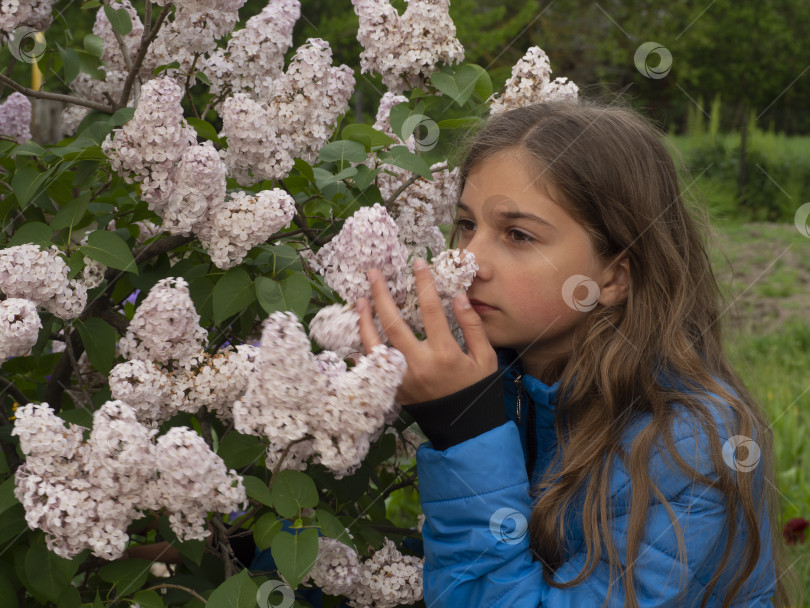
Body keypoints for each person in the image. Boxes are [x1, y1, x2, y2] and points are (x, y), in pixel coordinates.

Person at [355, 100, 799, 607]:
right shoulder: (496, 376)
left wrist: (464, 431)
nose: (468, 259)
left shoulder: (690, 447)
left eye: (518, 235)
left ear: (613, 277)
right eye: (465, 225)